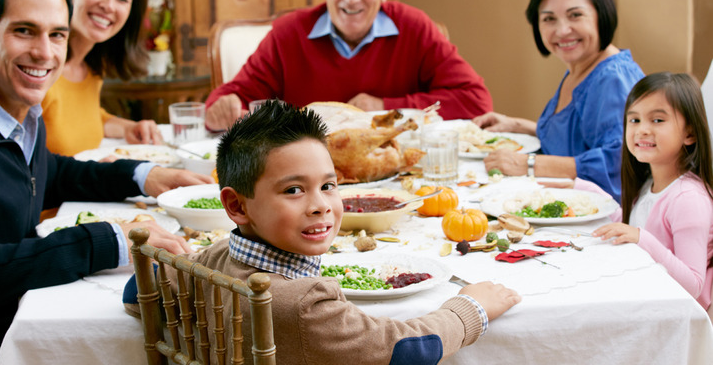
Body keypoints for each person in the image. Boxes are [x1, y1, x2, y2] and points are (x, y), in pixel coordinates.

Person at [0, 0, 213, 364]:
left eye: (57, 34)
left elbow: (51, 173)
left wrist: (143, 175)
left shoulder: (15, 111)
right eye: (24, 31)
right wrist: (107, 240)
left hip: (18, 314)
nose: (44, 52)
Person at [124, 100, 520, 363]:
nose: (320, 205)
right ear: (236, 205)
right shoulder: (301, 304)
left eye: (328, 186)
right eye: (293, 190)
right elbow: (408, 350)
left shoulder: (217, 256)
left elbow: (136, 294)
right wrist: (471, 308)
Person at [204, 0, 492, 131]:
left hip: (397, 172)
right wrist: (222, 108)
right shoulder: (288, 34)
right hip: (308, 179)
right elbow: (225, 100)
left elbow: (476, 100)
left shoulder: (415, 28)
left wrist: (385, 108)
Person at [473, 0, 644, 201]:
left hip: (603, 222)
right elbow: (580, 141)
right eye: (549, 19)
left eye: (575, 15)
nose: (562, 30)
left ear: (600, 14)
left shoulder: (612, 78)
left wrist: (528, 164)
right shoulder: (581, 68)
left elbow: (619, 165)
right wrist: (520, 126)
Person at [591, 73, 713, 309]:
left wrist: (641, 239)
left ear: (690, 134)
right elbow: (633, 223)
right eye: (634, 120)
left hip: (681, 320)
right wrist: (580, 187)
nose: (642, 130)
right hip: (651, 299)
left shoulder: (688, 198)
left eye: (657, 120)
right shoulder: (650, 182)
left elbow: (694, 286)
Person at [41, 0, 164, 156]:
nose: (108, 5)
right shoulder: (40, 66)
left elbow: (82, 115)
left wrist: (128, 127)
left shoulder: (92, 67)